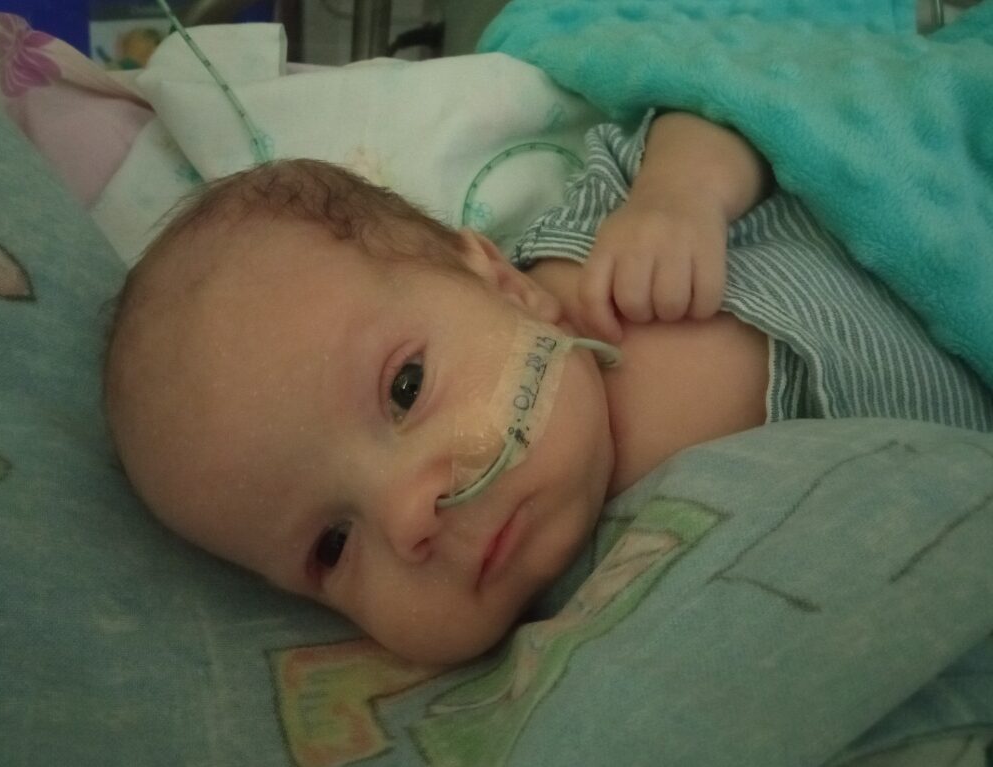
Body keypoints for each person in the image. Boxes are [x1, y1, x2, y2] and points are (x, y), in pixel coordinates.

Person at [104, 111, 993, 665]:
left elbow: (735, 107)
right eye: (333, 547)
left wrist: (681, 193)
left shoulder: (595, 248)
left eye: (406, 386)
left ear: (498, 279)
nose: (410, 517)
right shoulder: (586, 628)